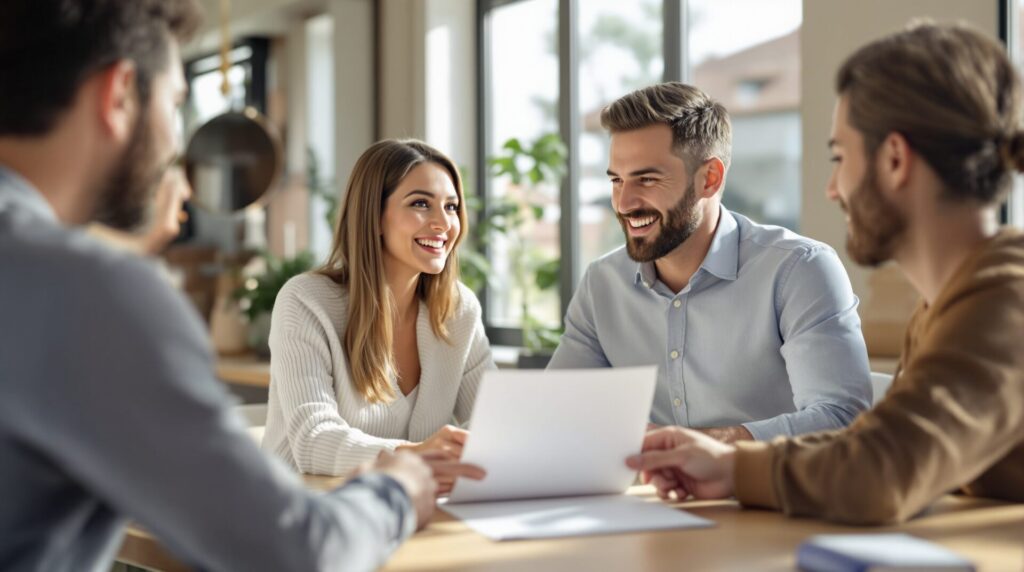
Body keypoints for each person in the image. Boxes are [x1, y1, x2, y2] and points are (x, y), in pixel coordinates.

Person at [0, 2, 482, 570]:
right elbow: (296, 551)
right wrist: (399, 485)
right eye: (177, 103)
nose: (179, 147)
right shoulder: (91, 296)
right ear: (121, 94)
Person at [626, 22, 1024, 525]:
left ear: (895, 159)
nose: (832, 189)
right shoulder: (946, 306)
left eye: (839, 158)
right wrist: (726, 460)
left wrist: (734, 468)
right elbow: (894, 450)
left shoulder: (1005, 298)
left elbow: (885, 471)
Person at [548, 82, 871, 443]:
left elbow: (841, 419)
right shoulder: (602, 284)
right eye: (617, 180)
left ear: (709, 179)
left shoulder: (798, 270)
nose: (624, 203)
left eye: (647, 179)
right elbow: (558, 413)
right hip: (645, 497)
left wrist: (702, 444)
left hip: (764, 495)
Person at [262, 139, 495, 491]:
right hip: (302, 517)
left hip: (405, 515)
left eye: (451, 207)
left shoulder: (459, 311)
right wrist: (417, 457)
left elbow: (494, 427)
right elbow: (313, 441)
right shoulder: (305, 303)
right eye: (421, 204)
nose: (443, 223)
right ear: (374, 216)